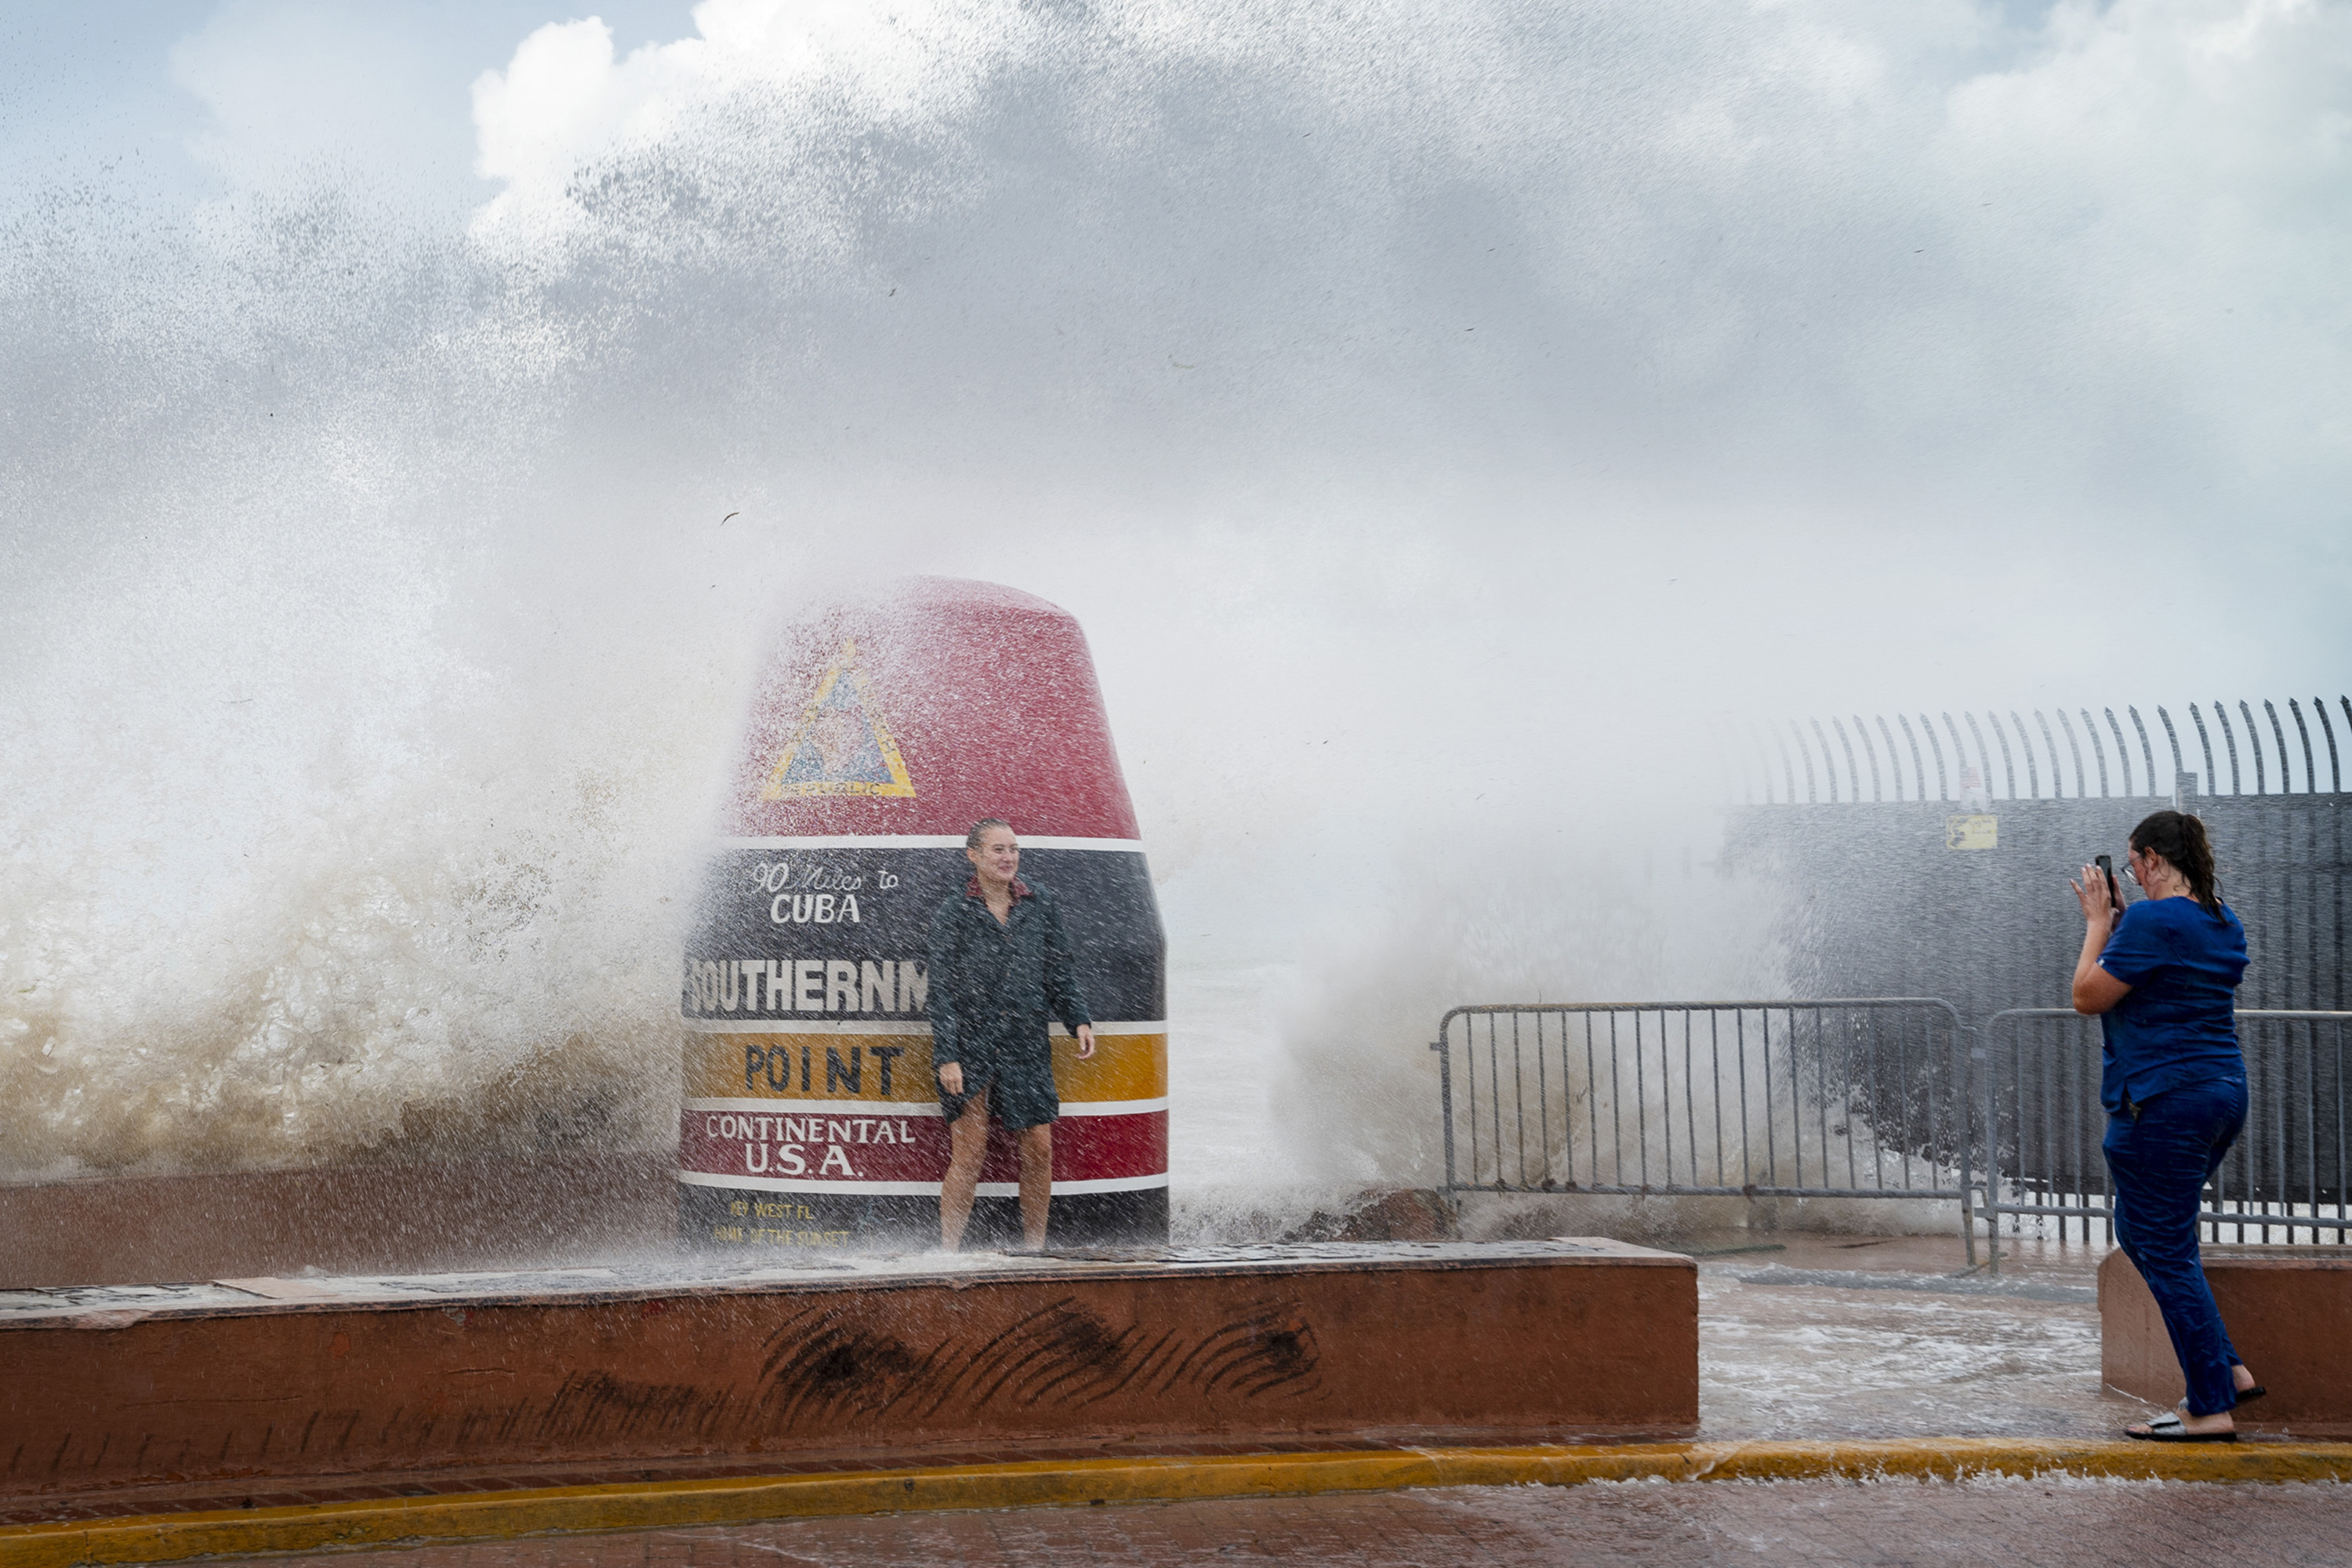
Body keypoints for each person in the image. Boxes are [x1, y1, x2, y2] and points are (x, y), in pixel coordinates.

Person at [2070, 809, 2259, 1442]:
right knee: (2145, 1230)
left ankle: (2209, 1405)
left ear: (2151, 859)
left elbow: (2088, 994)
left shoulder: (2152, 919)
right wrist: (2125, 922)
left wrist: (2100, 923)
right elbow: (2168, 975)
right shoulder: (2219, 918)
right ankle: (2227, 1371)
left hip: (2162, 1100)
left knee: (2164, 1245)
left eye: (2132, 864)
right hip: (2222, 1094)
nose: (2130, 875)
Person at [928, 818, 1096, 1251]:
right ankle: (948, 1253)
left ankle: (1034, 1248)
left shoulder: (1039, 904)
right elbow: (941, 990)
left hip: (1026, 1045)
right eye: (998, 850)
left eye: (1013, 849)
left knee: (1039, 1148)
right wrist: (948, 1055)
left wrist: (1077, 1019)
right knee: (969, 1154)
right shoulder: (953, 913)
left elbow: (1058, 970)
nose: (1008, 858)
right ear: (974, 856)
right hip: (971, 1045)